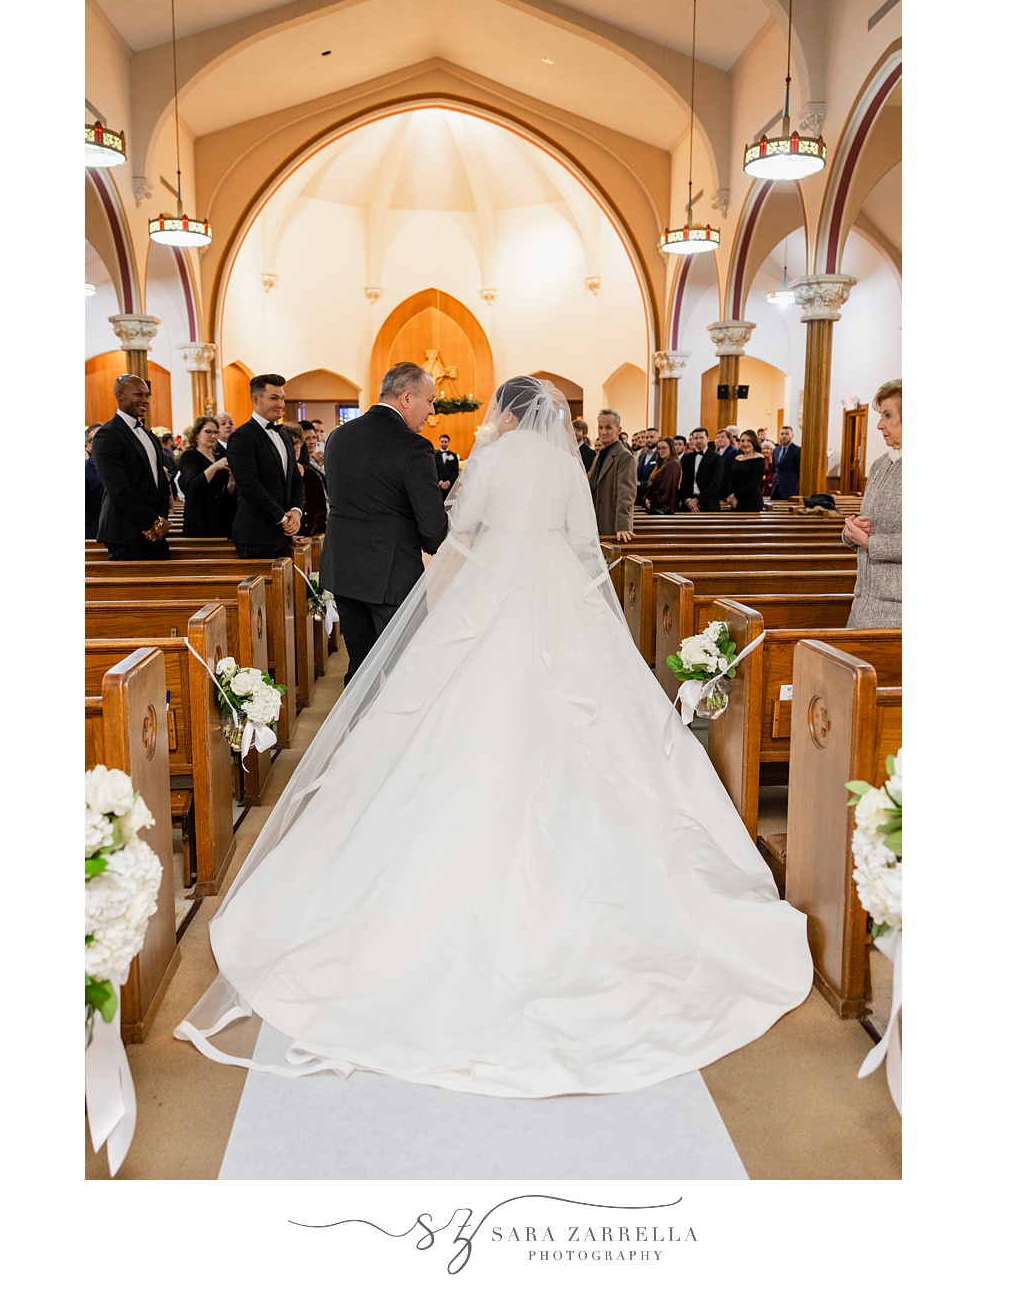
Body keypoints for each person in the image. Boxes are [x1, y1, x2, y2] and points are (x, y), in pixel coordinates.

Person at [175, 376, 812, 1095]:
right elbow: (579, 536)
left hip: (493, 595)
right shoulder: (562, 458)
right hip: (558, 600)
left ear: (506, 412)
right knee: (591, 721)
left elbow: (458, 529)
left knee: (449, 715)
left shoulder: (497, 457)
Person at [320, 361, 449, 683]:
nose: (431, 410)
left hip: (345, 569)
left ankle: (357, 731)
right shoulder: (413, 446)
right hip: (391, 575)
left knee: (360, 667)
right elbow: (433, 526)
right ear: (407, 398)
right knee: (404, 669)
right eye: (430, 400)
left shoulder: (339, 437)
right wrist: (431, 541)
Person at [91, 374, 172, 559]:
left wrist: (160, 523)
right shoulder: (107, 435)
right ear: (119, 395)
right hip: (124, 533)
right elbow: (118, 489)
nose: (145, 400)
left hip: (155, 535)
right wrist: (152, 522)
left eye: (147, 395)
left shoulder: (150, 436)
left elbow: (161, 483)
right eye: (138, 394)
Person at [225, 374, 305, 559]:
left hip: (283, 535)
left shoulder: (284, 436)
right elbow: (249, 485)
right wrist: (283, 519)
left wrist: (296, 511)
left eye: (282, 398)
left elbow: (295, 479)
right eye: (274, 398)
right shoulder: (242, 437)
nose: (281, 404)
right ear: (256, 399)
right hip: (255, 535)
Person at [843, 379, 902, 628]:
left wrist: (870, 542)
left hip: (898, 609)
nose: (880, 425)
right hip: (863, 602)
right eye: (880, 416)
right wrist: (852, 530)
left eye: (888, 416)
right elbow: (872, 521)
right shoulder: (879, 464)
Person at [176, 415, 236, 536]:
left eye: (215, 432)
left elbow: (224, 493)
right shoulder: (190, 456)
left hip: (222, 519)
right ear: (196, 434)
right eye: (208, 432)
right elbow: (192, 485)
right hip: (200, 518)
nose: (213, 436)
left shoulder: (220, 457)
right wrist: (214, 467)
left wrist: (232, 481)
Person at [587, 409, 637, 541]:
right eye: (600, 427)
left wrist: (623, 525)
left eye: (608, 428)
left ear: (619, 429)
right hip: (596, 519)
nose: (603, 432)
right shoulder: (599, 455)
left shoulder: (625, 456)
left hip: (611, 522)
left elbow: (626, 493)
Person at [679, 427, 722, 512]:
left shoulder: (716, 458)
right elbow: (682, 482)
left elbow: (715, 484)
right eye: (696, 438)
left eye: (701, 437)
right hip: (688, 505)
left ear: (708, 439)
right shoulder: (687, 458)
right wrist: (688, 500)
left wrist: (697, 500)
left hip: (708, 504)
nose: (699, 440)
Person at [299, 422, 328, 535]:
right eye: (307, 439)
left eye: (314, 438)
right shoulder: (301, 467)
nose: (312, 442)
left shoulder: (315, 462)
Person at [726, 429, 766, 511]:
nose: (745, 444)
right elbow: (732, 479)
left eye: (749, 441)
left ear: (754, 442)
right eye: (742, 441)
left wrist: (736, 495)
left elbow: (755, 483)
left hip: (751, 501)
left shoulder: (759, 459)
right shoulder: (738, 458)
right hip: (736, 500)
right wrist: (731, 495)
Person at [643, 436, 682, 514]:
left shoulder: (672, 465)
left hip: (664, 509)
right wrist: (647, 498)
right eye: (659, 448)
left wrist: (652, 502)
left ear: (671, 448)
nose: (660, 451)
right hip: (656, 507)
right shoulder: (661, 464)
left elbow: (666, 490)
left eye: (664, 448)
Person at [85, 422, 104, 539]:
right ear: (89, 445)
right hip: (93, 535)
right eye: (99, 439)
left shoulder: (123, 469)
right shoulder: (84, 471)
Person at [771, 425, 801, 500]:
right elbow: (775, 468)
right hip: (776, 487)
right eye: (782, 434)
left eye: (787, 434)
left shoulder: (797, 450)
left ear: (792, 435)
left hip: (790, 488)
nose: (784, 436)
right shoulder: (776, 450)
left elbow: (799, 469)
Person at [715, 427, 739, 506]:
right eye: (718, 437)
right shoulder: (718, 452)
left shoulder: (732, 451)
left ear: (729, 439)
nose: (720, 439)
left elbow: (733, 472)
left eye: (722, 437)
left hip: (727, 489)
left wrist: (731, 491)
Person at [634, 429, 659, 504]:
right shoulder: (642, 455)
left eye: (651, 437)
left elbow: (658, 478)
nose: (648, 440)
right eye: (647, 437)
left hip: (653, 495)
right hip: (640, 495)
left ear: (658, 438)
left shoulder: (659, 455)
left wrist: (641, 484)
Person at [435, 433, 460, 499]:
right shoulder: (434, 455)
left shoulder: (453, 455)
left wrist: (448, 482)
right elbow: (433, 470)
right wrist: (440, 482)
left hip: (450, 486)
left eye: (445, 442)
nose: (444, 443)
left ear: (448, 442)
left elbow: (455, 471)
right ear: (439, 442)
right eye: (442, 442)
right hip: (437, 486)